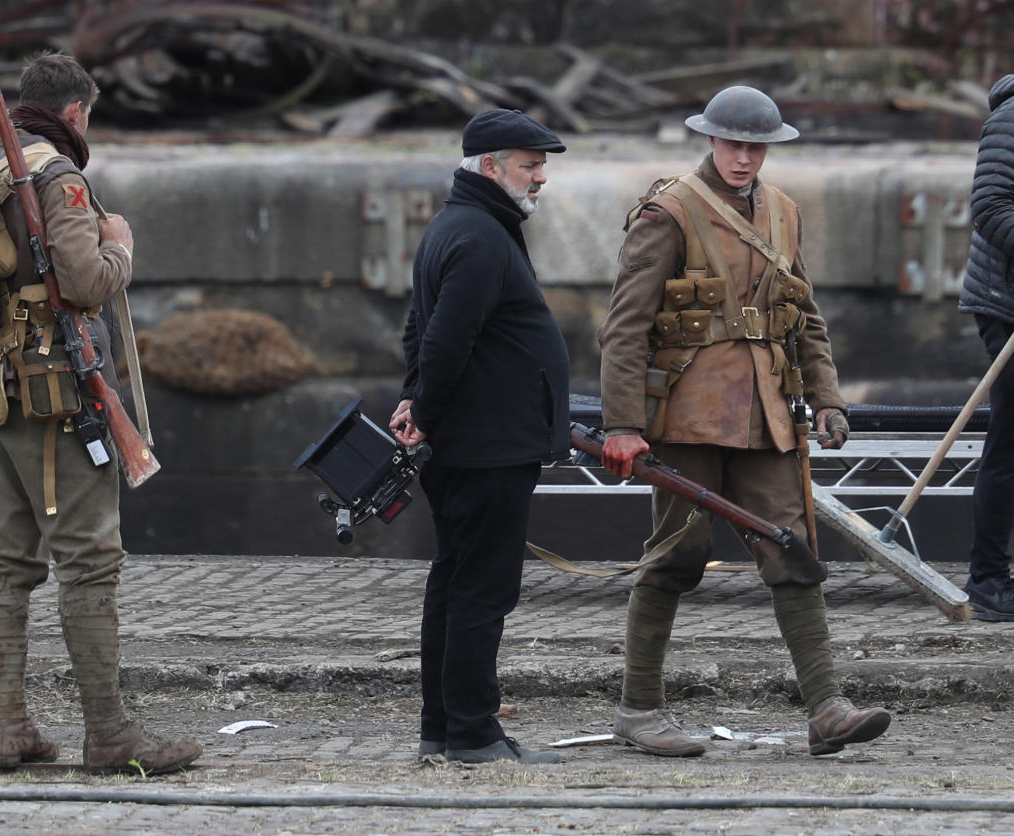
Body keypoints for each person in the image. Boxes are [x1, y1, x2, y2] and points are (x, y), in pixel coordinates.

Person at [598, 86, 891, 757]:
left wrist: (828, 399)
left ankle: (826, 709)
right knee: (677, 556)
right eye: (734, 144)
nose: (744, 157)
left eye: (756, 146)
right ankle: (639, 709)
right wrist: (622, 424)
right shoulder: (668, 211)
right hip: (687, 417)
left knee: (793, 552)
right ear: (710, 139)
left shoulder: (784, 213)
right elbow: (625, 327)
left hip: (766, 419)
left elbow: (803, 317)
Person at [0, 52, 201, 774]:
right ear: (76, 114)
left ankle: (9, 726)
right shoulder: (57, 177)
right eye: (89, 116)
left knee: (7, 561)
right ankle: (111, 735)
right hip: (57, 392)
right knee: (90, 561)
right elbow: (84, 279)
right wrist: (121, 247)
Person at [389, 108, 571, 765]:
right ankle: (473, 731)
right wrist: (427, 409)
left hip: (472, 439)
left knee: (454, 579)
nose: (541, 177)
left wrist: (416, 401)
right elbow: (445, 338)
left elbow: (419, 331)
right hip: (486, 445)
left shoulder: (459, 226)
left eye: (542, 165)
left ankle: (441, 727)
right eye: (530, 165)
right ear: (490, 167)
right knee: (482, 589)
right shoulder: (480, 236)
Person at [959, 74, 1014, 622]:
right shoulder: (1010, 117)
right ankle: (989, 581)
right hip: (1007, 304)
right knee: (1011, 443)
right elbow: (991, 206)